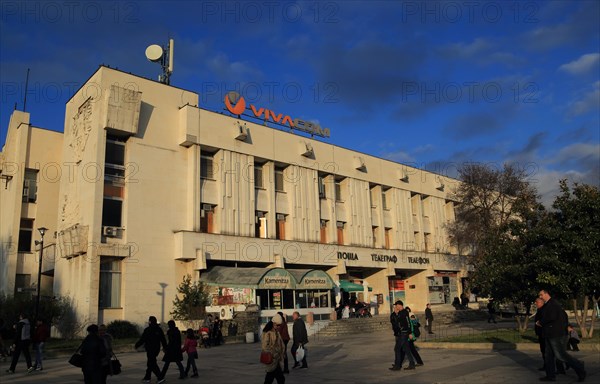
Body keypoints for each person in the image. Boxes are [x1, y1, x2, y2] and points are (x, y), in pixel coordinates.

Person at [538, 289, 586, 382]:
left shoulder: (553, 304)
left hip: (555, 334)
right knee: (548, 356)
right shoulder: (548, 304)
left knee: (561, 355)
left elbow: (552, 317)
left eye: (541, 295)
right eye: (539, 295)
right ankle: (550, 376)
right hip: (549, 334)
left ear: (547, 294)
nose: (540, 297)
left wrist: (541, 322)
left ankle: (580, 367)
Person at [534, 297, 565, 374]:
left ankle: (562, 367)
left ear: (541, 303)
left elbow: (547, 321)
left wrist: (540, 323)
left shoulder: (545, 310)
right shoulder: (539, 310)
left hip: (547, 334)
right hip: (541, 334)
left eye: (537, 302)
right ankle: (547, 366)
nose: (535, 304)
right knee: (545, 352)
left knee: (553, 353)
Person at [135, 316, 167, 384]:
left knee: (152, 363)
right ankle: (147, 377)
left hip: (150, 349)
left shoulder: (147, 330)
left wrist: (137, 345)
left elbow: (142, 339)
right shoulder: (159, 329)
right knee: (150, 362)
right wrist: (165, 348)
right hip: (156, 349)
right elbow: (163, 340)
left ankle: (160, 377)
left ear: (150, 321)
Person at [389, 300, 416, 371]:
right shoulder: (399, 313)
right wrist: (396, 314)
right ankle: (412, 364)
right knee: (406, 349)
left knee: (397, 349)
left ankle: (397, 366)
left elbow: (408, 323)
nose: (395, 306)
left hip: (403, 333)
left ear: (400, 305)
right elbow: (394, 321)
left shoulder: (404, 312)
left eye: (396, 305)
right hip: (400, 333)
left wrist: (409, 333)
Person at [262, 317, 286, 384]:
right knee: (279, 379)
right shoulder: (268, 333)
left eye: (279, 325)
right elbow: (264, 346)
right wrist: (273, 353)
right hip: (272, 359)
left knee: (271, 378)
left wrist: (282, 352)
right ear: (273, 323)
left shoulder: (276, 332)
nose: (278, 327)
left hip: (276, 359)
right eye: (277, 325)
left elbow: (280, 344)